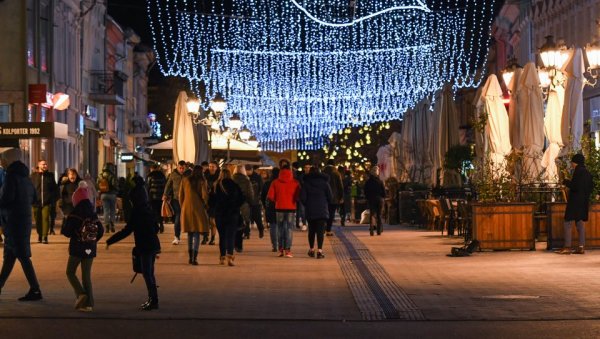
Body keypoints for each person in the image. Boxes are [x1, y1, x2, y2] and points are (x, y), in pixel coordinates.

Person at [106, 176, 161, 310]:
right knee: (150, 273)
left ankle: (153, 301)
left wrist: (111, 240)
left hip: (145, 246)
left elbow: (127, 230)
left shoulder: (137, 212)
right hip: (153, 245)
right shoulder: (148, 209)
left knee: (147, 273)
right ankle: (153, 299)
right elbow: (157, 227)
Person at [0, 160, 43, 301]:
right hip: (24, 221)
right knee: (10, 257)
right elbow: (35, 199)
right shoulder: (27, 180)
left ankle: (35, 289)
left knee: (22, 256)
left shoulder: (11, 178)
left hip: (13, 222)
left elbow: (6, 198)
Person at [61, 183, 104, 312]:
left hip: (77, 249)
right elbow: (100, 231)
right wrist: (92, 241)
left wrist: (66, 223)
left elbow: (67, 232)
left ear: (76, 200)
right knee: (86, 276)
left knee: (70, 272)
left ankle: (81, 294)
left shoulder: (74, 214)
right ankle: (89, 304)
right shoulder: (93, 214)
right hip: (90, 249)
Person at [556, 154, 594, 255]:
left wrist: (565, 182)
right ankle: (581, 247)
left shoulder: (578, 171)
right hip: (584, 202)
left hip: (575, 202)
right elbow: (591, 187)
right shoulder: (587, 172)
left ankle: (567, 247)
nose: (572, 164)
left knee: (567, 222)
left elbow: (575, 186)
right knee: (580, 222)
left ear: (575, 162)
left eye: (572, 162)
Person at [209, 168, 244, 266]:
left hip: (220, 214)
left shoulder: (215, 186)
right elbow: (242, 198)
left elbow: (210, 201)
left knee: (222, 236)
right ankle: (230, 258)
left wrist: (215, 208)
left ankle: (222, 257)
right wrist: (236, 206)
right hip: (232, 214)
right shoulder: (234, 185)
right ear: (230, 175)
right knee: (231, 236)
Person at [179, 165, 210, 265]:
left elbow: (180, 195)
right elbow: (205, 196)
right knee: (196, 233)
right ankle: (194, 258)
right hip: (198, 208)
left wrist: (183, 206)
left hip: (186, 208)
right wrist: (206, 205)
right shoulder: (202, 181)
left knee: (190, 233)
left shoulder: (185, 180)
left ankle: (189, 257)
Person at [267, 164, 300, 258]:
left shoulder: (275, 182)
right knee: (289, 229)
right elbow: (298, 197)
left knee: (280, 228)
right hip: (291, 208)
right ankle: (288, 250)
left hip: (279, 208)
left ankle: (281, 250)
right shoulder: (295, 182)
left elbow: (270, 196)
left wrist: (278, 200)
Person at [301, 166, 332, 259]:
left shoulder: (306, 183)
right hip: (322, 210)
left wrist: (307, 204)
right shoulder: (325, 183)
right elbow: (330, 197)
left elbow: (302, 198)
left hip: (310, 210)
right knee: (320, 231)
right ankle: (319, 250)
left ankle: (311, 249)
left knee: (311, 231)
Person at [31, 159, 58, 244]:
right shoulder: (33, 176)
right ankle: (40, 234)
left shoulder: (50, 176)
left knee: (46, 219)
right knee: (38, 220)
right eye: (43, 164)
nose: (45, 166)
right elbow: (30, 188)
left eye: (46, 164)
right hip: (36, 202)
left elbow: (54, 189)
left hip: (47, 202)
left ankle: (45, 236)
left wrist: (53, 199)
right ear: (38, 165)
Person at [163, 160, 187, 245]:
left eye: (183, 168)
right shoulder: (173, 174)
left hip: (187, 199)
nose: (181, 170)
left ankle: (191, 235)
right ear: (177, 167)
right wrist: (165, 194)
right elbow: (168, 185)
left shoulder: (188, 174)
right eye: (180, 168)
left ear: (185, 167)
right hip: (176, 199)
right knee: (178, 216)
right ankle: (177, 237)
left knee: (188, 217)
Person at [232, 165, 255, 250]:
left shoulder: (231, 179)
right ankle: (239, 245)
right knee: (241, 225)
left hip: (233, 204)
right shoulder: (246, 180)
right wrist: (251, 202)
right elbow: (250, 193)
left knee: (233, 224)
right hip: (243, 204)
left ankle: (232, 243)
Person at [323, 160, 344, 235]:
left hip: (324, 197)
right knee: (331, 213)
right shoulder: (337, 173)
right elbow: (340, 187)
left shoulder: (323, 172)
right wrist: (341, 197)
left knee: (324, 212)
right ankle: (328, 229)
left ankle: (323, 227)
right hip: (334, 198)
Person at [262, 167, 280, 252]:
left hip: (271, 207)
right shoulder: (281, 183)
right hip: (281, 206)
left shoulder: (267, 183)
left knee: (273, 226)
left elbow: (263, 196)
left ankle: (274, 245)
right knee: (281, 226)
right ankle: (281, 244)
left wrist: (265, 207)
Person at [364, 167, 386, 236]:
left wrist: (367, 198)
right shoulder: (380, 181)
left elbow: (365, 191)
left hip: (371, 199)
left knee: (372, 214)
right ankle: (379, 230)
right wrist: (383, 197)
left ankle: (371, 228)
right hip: (379, 199)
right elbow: (384, 192)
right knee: (379, 215)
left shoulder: (368, 182)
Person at [97, 163, 118, 233]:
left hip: (103, 195)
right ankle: (112, 223)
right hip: (112, 194)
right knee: (112, 210)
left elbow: (97, 185)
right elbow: (114, 185)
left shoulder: (100, 176)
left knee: (106, 211)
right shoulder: (112, 175)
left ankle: (106, 225)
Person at [246, 164, 265, 238]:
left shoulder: (257, 177)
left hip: (256, 201)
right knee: (247, 218)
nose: (247, 172)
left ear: (251, 170)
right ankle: (247, 233)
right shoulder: (245, 177)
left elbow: (261, 188)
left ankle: (261, 230)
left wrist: (259, 197)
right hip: (247, 201)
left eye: (248, 171)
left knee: (258, 218)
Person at [204, 161, 220, 245]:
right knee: (205, 220)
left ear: (216, 167)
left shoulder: (219, 177)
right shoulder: (204, 176)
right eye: (210, 166)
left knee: (212, 221)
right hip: (205, 200)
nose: (211, 168)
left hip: (215, 201)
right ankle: (205, 236)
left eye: (213, 166)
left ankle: (213, 238)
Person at [147, 164, 167, 234]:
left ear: (152, 168)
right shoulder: (162, 175)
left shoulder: (150, 176)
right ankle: (161, 225)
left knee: (153, 212)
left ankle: (156, 227)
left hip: (152, 197)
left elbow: (148, 187)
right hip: (160, 197)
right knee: (159, 212)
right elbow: (165, 185)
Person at [292, 162, 308, 231]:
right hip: (302, 195)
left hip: (307, 195)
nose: (307, 169)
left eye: (309, 168)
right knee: (301, 210)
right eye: (306, 168)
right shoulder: (302, 176)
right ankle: (303, 223)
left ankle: (299, 223)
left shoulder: (310, 176)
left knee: (301, 210)